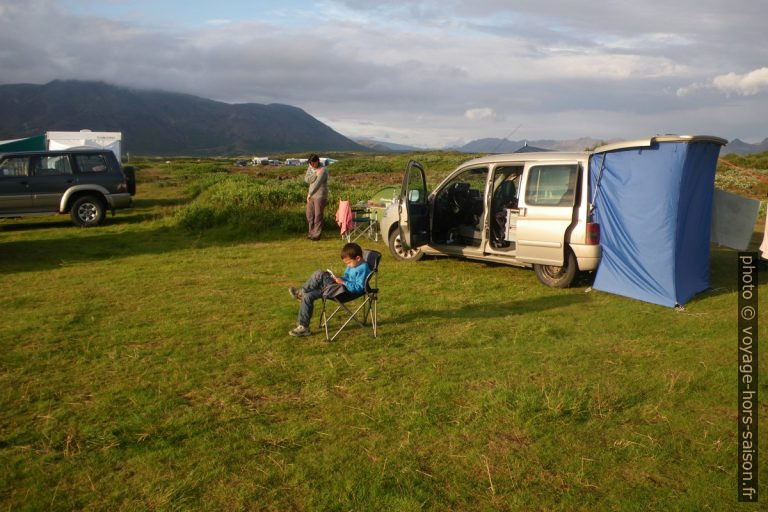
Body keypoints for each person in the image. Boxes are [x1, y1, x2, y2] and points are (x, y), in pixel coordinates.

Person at [287, 242, 370, 337]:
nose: (348, 266)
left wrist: (343, 282)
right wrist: (339, 279)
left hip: (344, 292)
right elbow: (347, 277)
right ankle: (303, 327)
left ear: (358, 258)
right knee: (308, 296)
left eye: (349, 263)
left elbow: (359, 288)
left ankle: (300, 293)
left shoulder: (363, 268)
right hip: (336, 288)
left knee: (319, 274)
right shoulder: (354, 265)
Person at [304, 154, 328, 240]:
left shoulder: (323, 170)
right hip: (311, 195)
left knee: (318, 215)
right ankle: (311, 233)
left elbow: (317, 184)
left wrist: (310, 193)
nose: (311, 165)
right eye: (310, 163)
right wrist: (315, 175)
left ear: (317, 161)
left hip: (320, 195)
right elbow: (307, 179)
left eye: (313, 163)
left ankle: (316, 235)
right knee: (309, 215)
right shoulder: (310, 167)